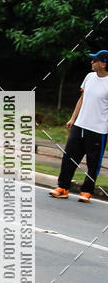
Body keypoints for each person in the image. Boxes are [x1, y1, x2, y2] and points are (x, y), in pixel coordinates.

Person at [50, 51, 108, 202]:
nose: (91, 62)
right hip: (80, 125)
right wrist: (73, 118)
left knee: (93, 162)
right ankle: (63, 187)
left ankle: (87, 191)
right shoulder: (89, 77)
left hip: (98, 130)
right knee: (69, 157)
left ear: (103, 64)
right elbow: (82, 98)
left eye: (94, 60)